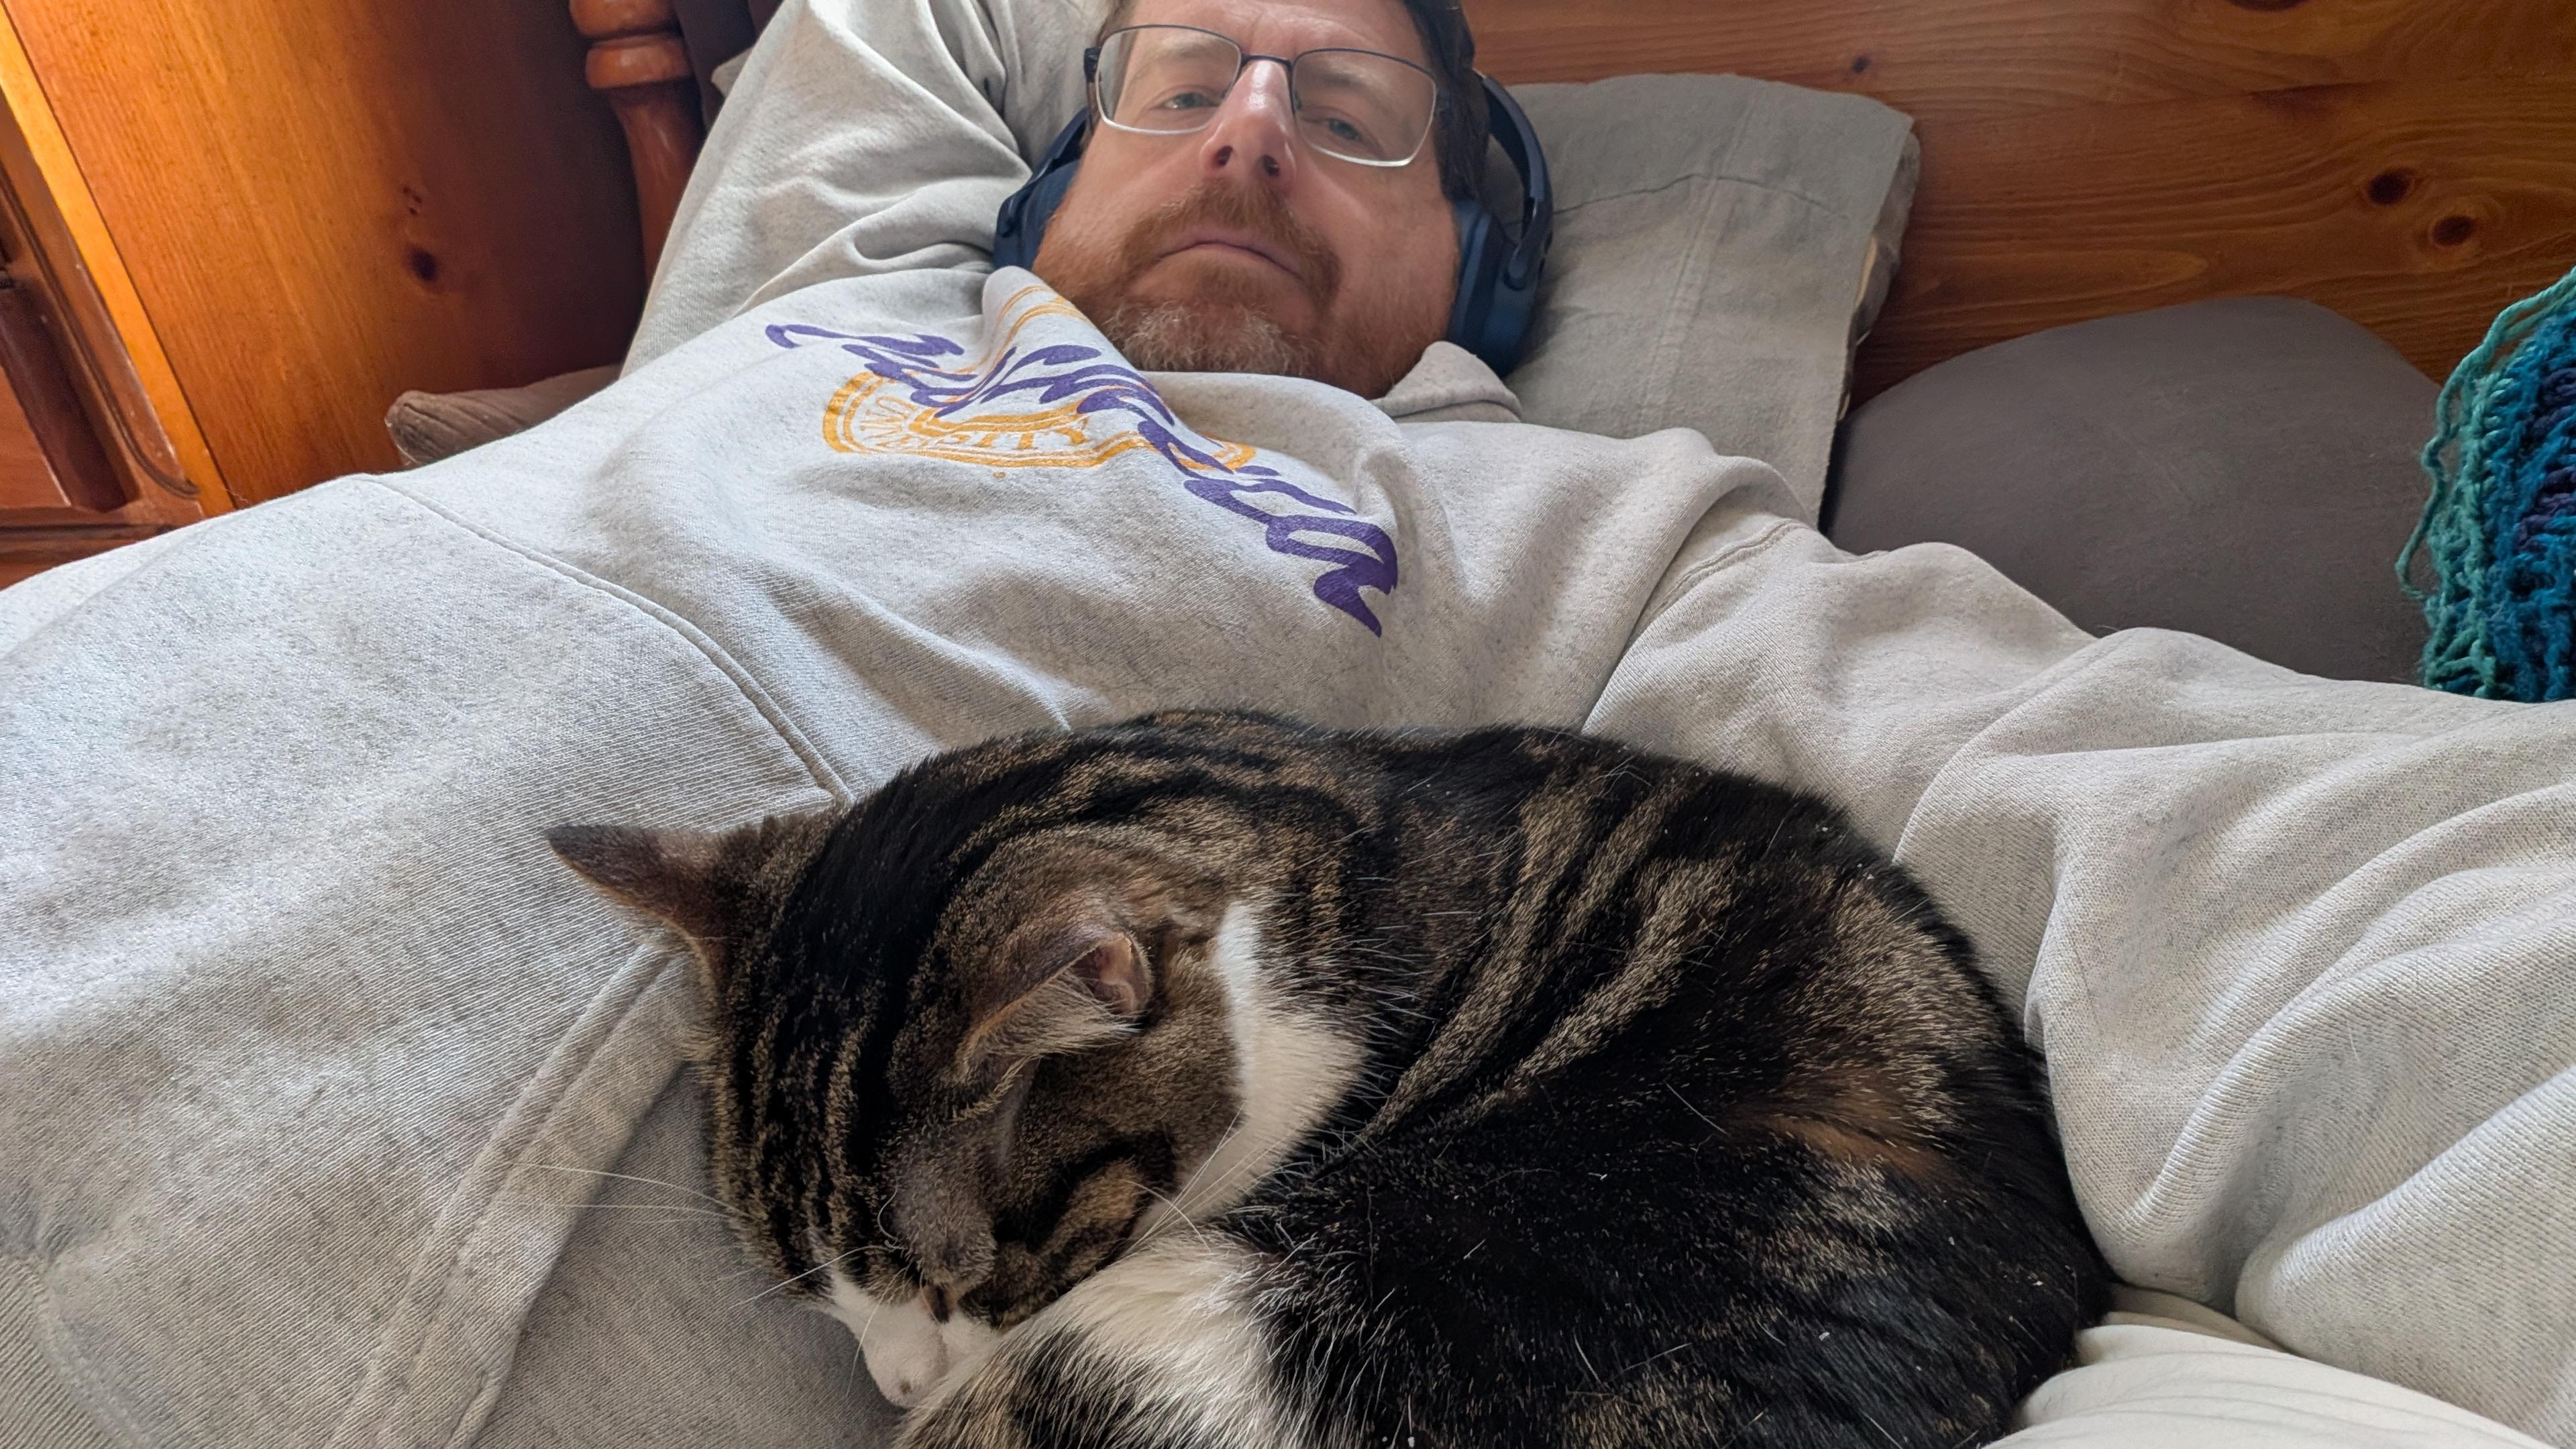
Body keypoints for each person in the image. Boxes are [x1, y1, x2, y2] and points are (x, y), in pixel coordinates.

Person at [1, 0, 2567, 1445]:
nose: (1246, 122)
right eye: (1174, 77)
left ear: (1481, 257)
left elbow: (2191, 826)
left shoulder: (1542, 507)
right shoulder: (799, 313)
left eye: (1350, 119)